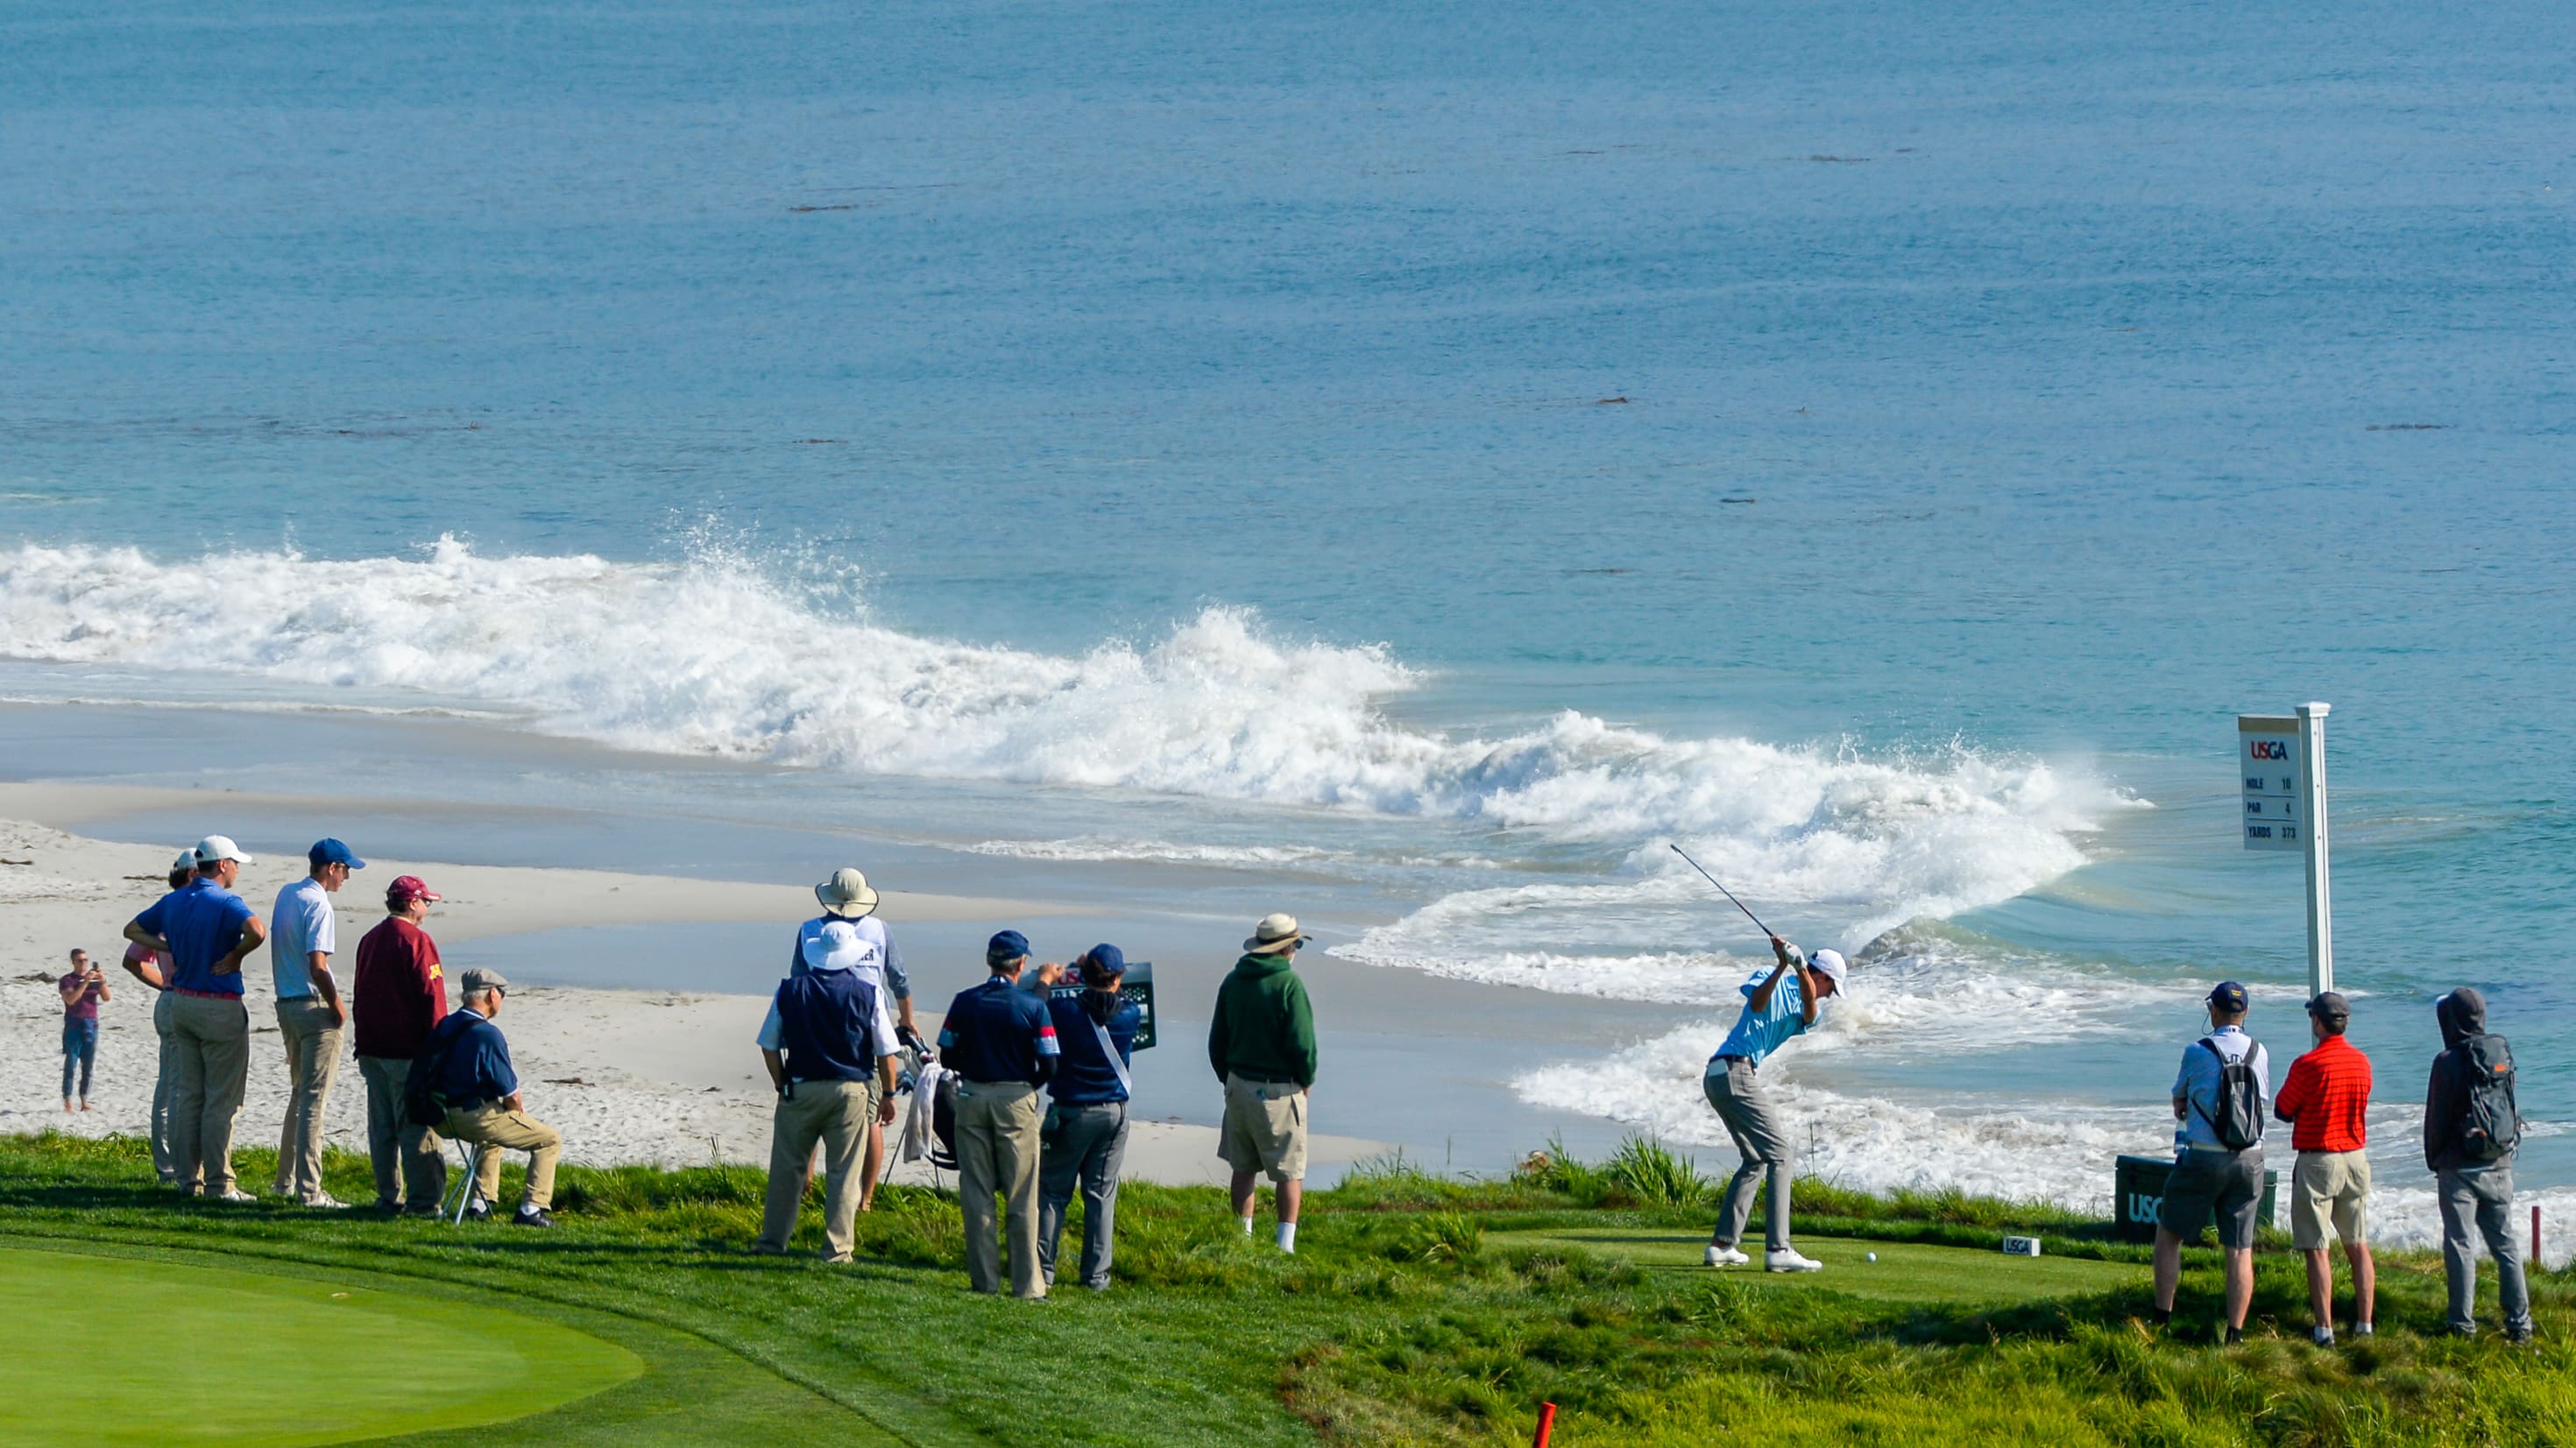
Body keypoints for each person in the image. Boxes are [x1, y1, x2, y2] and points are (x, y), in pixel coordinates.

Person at [124, 835, 266, 1200]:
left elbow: (132, 930)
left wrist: (167, 944)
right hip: (218, 1003)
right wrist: (236, 956)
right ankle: (219, 1183)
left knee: (188, 1096)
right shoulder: (225, 900)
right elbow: (257, 931)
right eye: (235, 864)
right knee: (221, 1098)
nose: (237, 871)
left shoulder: (174, 900)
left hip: (182, 1002)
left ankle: (188, 1180)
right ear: (222, 865)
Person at [753, 917, 903, 1261]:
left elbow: (768, 1044)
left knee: (787, 1170)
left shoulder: (791, 990)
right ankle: (837, 1248)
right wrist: (889, 1094)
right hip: (850, 1089)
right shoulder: (868, 993)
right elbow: (885, 1051)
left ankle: (772, 1241)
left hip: (801, 1086)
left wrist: (780, 1083)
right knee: (844, 1172)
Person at [1701, 934, 1844, 1274]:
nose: (1828, 994)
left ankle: (1722, 1246)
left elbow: (1809, 1008)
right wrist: (1782, 965)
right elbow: (1758, 1004)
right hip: (1731, 1070)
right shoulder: (1768, 975)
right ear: (1823, 975)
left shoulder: (1811, 1008)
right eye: (1831, 986)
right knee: (1781, 1154)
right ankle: (1779, 1249)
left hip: (1723, 1075)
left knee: (1755, 1159)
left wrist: (1799, 969)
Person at [938, 929, 1059, 1297]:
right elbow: (1050, 1062)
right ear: (1021, 964)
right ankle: (1027, 1285)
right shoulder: (1033, 1006)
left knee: (977, 1192)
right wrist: (1027, 1086)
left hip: (972, 1094)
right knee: (1021, 1194)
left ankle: (984, 1281)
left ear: (990, 961)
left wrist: (973, 1073)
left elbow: (947, 1053)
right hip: (1015, 1097)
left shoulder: (965, 1001)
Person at [792, 868, 921, 1211]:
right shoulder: (878, 930)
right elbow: (898, 978)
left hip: (818, 1026)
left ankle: (805, 1191)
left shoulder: (809, 930)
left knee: (810, 1120)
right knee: (872, 1116)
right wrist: (907, 1019)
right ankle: (865, 1198)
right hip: (867, 1025)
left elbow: (797, 978)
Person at [2150, 982, 2271, 1344]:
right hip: (2249, 1157)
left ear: (2213, 1011)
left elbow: (2180, 1095)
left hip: (2204, 1155)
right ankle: (2235, 1332)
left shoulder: (2197, 1050)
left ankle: (2162, 1317)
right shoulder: (2259, 1051)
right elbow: (2261, 1098)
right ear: (2245, 1013)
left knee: (2169, 1234)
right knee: (2240, 1248)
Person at [2424, 986, 2531, 1343]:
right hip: (2499, 1160)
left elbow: (2436, 1119)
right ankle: (2520, 1324)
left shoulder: (2446, 1061)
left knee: (2460, 1244)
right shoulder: (2497, 1053)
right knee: (2506, 1245)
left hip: (2459, 1168)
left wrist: (2435, 1160)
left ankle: (2462, 1324)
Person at [1209, 913, 1319, 1254]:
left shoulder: (1233, 980)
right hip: (1279, 1089)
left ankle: (1242, 1239)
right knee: (1289, 1171)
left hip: (1238, 1085)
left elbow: (1216, 1042)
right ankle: (1285, 1245)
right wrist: (1306, 1079)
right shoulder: (1289, 984)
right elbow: (1303, 1044)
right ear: (1286, 948)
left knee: (1243, 1168)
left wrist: (1228, 1079)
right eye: (1296, 945)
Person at [415, 967, 560, 1227]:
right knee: (549, 1140)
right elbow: (510, 1093)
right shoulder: (488, 1034)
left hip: (441, 1115)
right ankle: (531, 1208)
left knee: (492, 1139)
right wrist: (515, 1112)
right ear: (492, 994)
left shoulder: (446, 1024)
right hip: (473, 1117)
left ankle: (479, 1203)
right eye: (501, 993)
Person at [2272, 991, 2374, 1346]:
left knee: (2317, 1247)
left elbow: (2283, 1109)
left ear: (2318, 1022)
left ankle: (2324, 1328)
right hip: (2355, 1156)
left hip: (2319, 1158)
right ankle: (2364, 1324)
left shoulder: (2308, 1064)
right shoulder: (2361, 1061)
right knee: (2357, 1244)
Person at [1038, 943, 1143, 1290]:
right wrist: (1095, 973)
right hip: (1113, 1112)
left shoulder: (1063, 1011)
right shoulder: (1129, 1015)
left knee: (1053, 1192)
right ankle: (1096, 1277)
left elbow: (1037, 1006)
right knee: (1100, 1195)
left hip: (1070, 1110)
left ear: (1084, 977)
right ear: (1118, 978)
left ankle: (1043, 1270)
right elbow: (1117, 997)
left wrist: (1050, 978)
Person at [269, 838, 364, 1207]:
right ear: (331, 868)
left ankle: (284, 1181)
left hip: (287, 1004)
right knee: (314, 1101)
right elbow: (318, 966)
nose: (346, 877)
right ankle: (309, 1190)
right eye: (345, 870)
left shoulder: (287, 894)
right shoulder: (318, 903)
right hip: (313, 1007)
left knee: (300, 1094)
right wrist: (338, 1006)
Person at [352, 875, 450, 1214]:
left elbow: (360, 992)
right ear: (412, 903)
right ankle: (424, 1201)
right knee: (414, 1127)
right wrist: (439, 1049)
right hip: (407, 1051)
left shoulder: (370, 939)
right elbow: (432, 998)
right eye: (426, 902)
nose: (428, 908)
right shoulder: (417, 940)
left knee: (381, 1128)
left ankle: (388, 1195)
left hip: (372, 1046)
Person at [119, 850, 197, 1183]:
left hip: (172, 997)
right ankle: (171, 1167)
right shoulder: (180, 908)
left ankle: (174, 1164)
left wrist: (165, 983)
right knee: (175, 1087)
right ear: (193, 874)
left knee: (172, 1085)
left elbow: (133, 960)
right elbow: (132, 959)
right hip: (180, 998)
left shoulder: (167, 908)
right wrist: (167, 982)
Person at [58, 948, 110, 1112]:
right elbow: (71, 999)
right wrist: (85, 982)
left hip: (91, 1025)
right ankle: (67, 1100)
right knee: (71, 1064)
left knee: (88, 1065)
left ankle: (84, 1100)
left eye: (85, 960)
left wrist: (102, 981)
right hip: (74, 1025)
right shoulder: (67, 980)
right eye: (80, 960)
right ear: (73, 962)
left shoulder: (94, 980)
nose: (83, 963)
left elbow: (107, 997)